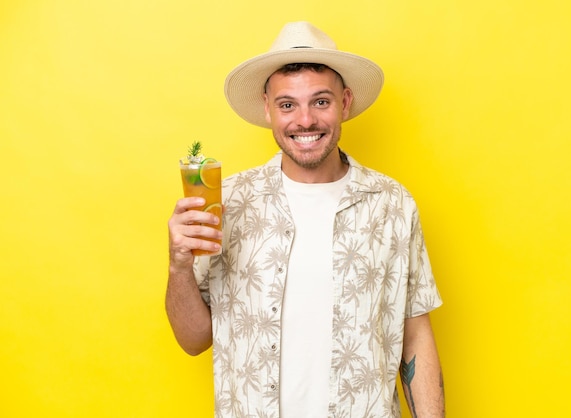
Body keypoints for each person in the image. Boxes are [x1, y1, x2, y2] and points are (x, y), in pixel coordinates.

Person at [166, 21, 445, 418]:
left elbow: (415, 335)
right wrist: (178, 264)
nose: (305, 121)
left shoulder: (392, 204)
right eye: (287, 105)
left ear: (345, 102)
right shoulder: (229, 203)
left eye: (320, 101)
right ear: (268, 108)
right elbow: (193, 340)